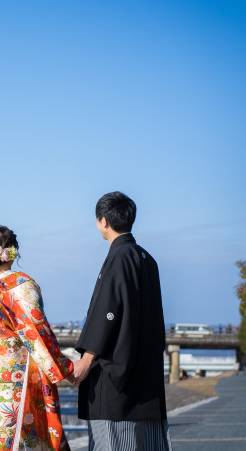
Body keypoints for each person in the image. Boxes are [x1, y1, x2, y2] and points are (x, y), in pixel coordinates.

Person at [0, 226, 75, 451]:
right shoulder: (20, 286)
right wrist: (66, 368)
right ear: (14, 251)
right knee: (16, 441)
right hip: (15, 383)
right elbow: (37, 332)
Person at [70, 192, 170, 450]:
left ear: (104, 221)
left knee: (114, 443)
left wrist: (87, 359)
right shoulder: (147, 259)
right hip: (145, 374)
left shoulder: (119, 257)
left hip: (117, 381)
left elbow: (108, 311)